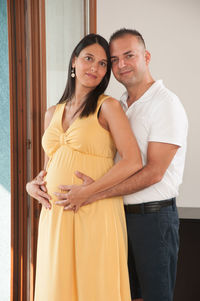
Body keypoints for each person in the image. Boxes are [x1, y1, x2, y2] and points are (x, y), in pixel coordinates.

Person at [52, 29, 188, 301]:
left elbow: (154, 172)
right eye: (113, 60)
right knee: (125, 294)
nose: (120, 64)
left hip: (153, 219)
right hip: (116, 216)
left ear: (146, 56)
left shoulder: (165, 104)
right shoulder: (121, 105)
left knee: (155, 296)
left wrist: (93, 193)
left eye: (129, 56)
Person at [26, 33, 143, 301]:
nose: (95, 68)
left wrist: (89, 192)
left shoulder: (108, 107)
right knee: (58, 286)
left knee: (95, 284)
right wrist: (31, 185)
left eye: (103, 64)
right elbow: (50, 165)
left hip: (95, 209)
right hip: (56, 215)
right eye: (89, 59)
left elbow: (133, 160)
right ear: (74, 62)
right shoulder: (52, 112)